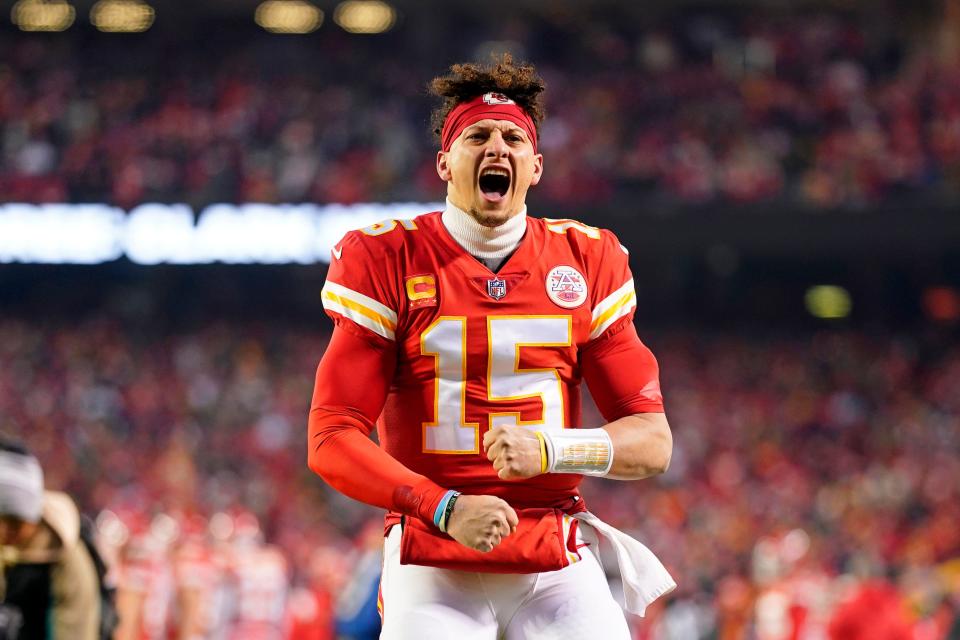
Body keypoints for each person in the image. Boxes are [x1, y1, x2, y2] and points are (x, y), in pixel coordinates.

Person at [307, 55, 676, 640]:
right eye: (476, 135)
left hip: (552, 549)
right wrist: (445, 507)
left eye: (513, 137)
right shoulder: (386, 257)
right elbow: (331, 436)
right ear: (444, 162)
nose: (496, 147)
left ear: (535, 167)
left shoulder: (587, 258)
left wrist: (553, 449)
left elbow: (652, 441)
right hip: (432, 554)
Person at [0, 439, 102, 640]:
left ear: (33, 516)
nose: (4, 530)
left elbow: (76, 632)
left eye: (15, 522)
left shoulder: (66, 554)